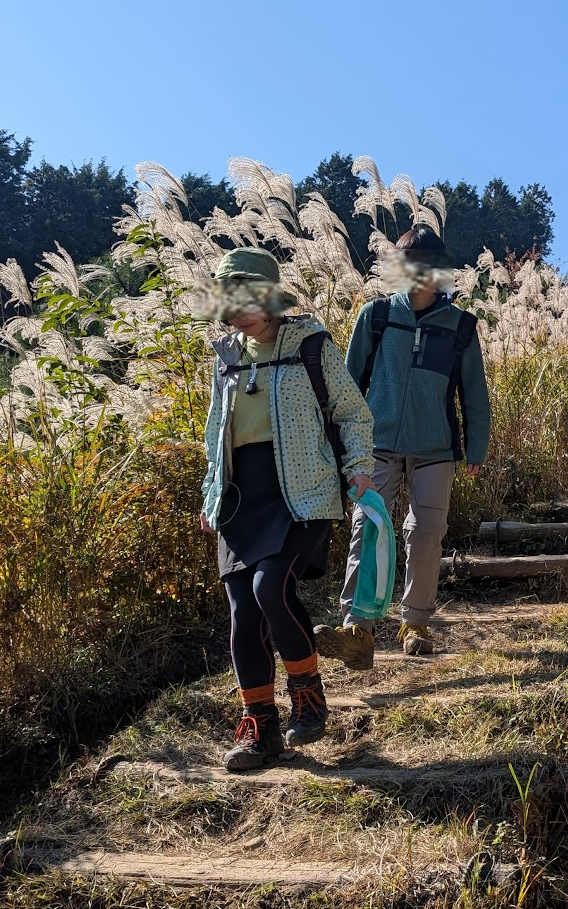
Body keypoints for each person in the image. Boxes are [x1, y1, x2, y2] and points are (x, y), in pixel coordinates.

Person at [199, 247, 379, 772]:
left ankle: (308, 695)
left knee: (269, 588)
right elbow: (216, 433)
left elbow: (351, 413)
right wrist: (212, 491)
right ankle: (260, 728)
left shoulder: (310, 345)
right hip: (239, 496)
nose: (234, 312)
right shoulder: (226, 356)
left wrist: (359, 468)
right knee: (241, 616)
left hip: (301, 490)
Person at [315, 226, 491, 665]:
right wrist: (339, 445)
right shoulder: (375, 316)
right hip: (375, 445)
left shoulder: (461, 326)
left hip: (436, 449)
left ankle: (415, 623)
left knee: (426, 534)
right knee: (368, 528)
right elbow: (349, 386)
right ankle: (358, 628)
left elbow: (473, 391)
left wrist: (477, 448)